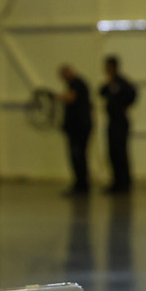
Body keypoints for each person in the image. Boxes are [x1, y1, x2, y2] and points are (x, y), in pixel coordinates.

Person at [99, 56, 137, 194]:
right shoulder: (110, 83)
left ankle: (124, 183)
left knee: (121, 153)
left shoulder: (122, 82)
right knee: (112, 153)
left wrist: (124, 105)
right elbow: (101, 92)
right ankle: (116, 181)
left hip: (120, 121)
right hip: (112, 121)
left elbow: (133, 94)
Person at [58, 64, 93, 196]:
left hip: (79, 128)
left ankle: (81, 184)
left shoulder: (77, 83)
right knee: (77, 156)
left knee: (78, 155)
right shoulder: (76, 84)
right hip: (77, 127)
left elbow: (71, 98)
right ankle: (80, 182)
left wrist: (58, 97)